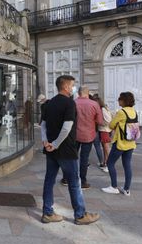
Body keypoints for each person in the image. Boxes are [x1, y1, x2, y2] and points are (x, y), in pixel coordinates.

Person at [40, 75, 100, 225]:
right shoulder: (69, 103)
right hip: (65, 149)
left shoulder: (49, 103)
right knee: (74, 183)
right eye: (72, 85)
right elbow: (67, 127)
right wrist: (55, 143)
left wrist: (46, 142)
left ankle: (47, 212)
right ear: (66, 87)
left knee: (49, 181)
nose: (74, 88)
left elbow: (43, 125)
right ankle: (80, 215)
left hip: (51, 150)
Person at [61, 86, 103, 189]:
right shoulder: (94, 104)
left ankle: (66, 178)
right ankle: (83, 181)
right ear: (87, 93)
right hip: (88, 135)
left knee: (71, 156)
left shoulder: (72, 103)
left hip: (74, 135)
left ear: (79, 93)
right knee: (84, 158)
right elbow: (100, 121)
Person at [102, 92, 138, 196]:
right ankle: (126, 189)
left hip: (120, 143)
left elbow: (111, 125)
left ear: (123, 100)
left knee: (110, 163)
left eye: (119, 99)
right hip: (131, 143)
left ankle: (114, 187)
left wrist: (116, 123)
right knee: (127, 165)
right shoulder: (134, 111)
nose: (118, 100)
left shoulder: (121, 112)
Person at [95, 96, 113, 172]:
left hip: (104, 130)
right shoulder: (104, 108)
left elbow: (109, 120)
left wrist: (100, 123)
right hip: (104, 130)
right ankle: (105, 163)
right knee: (105, 148)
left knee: (106, 148)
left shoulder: (102, 109)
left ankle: (109, 165)